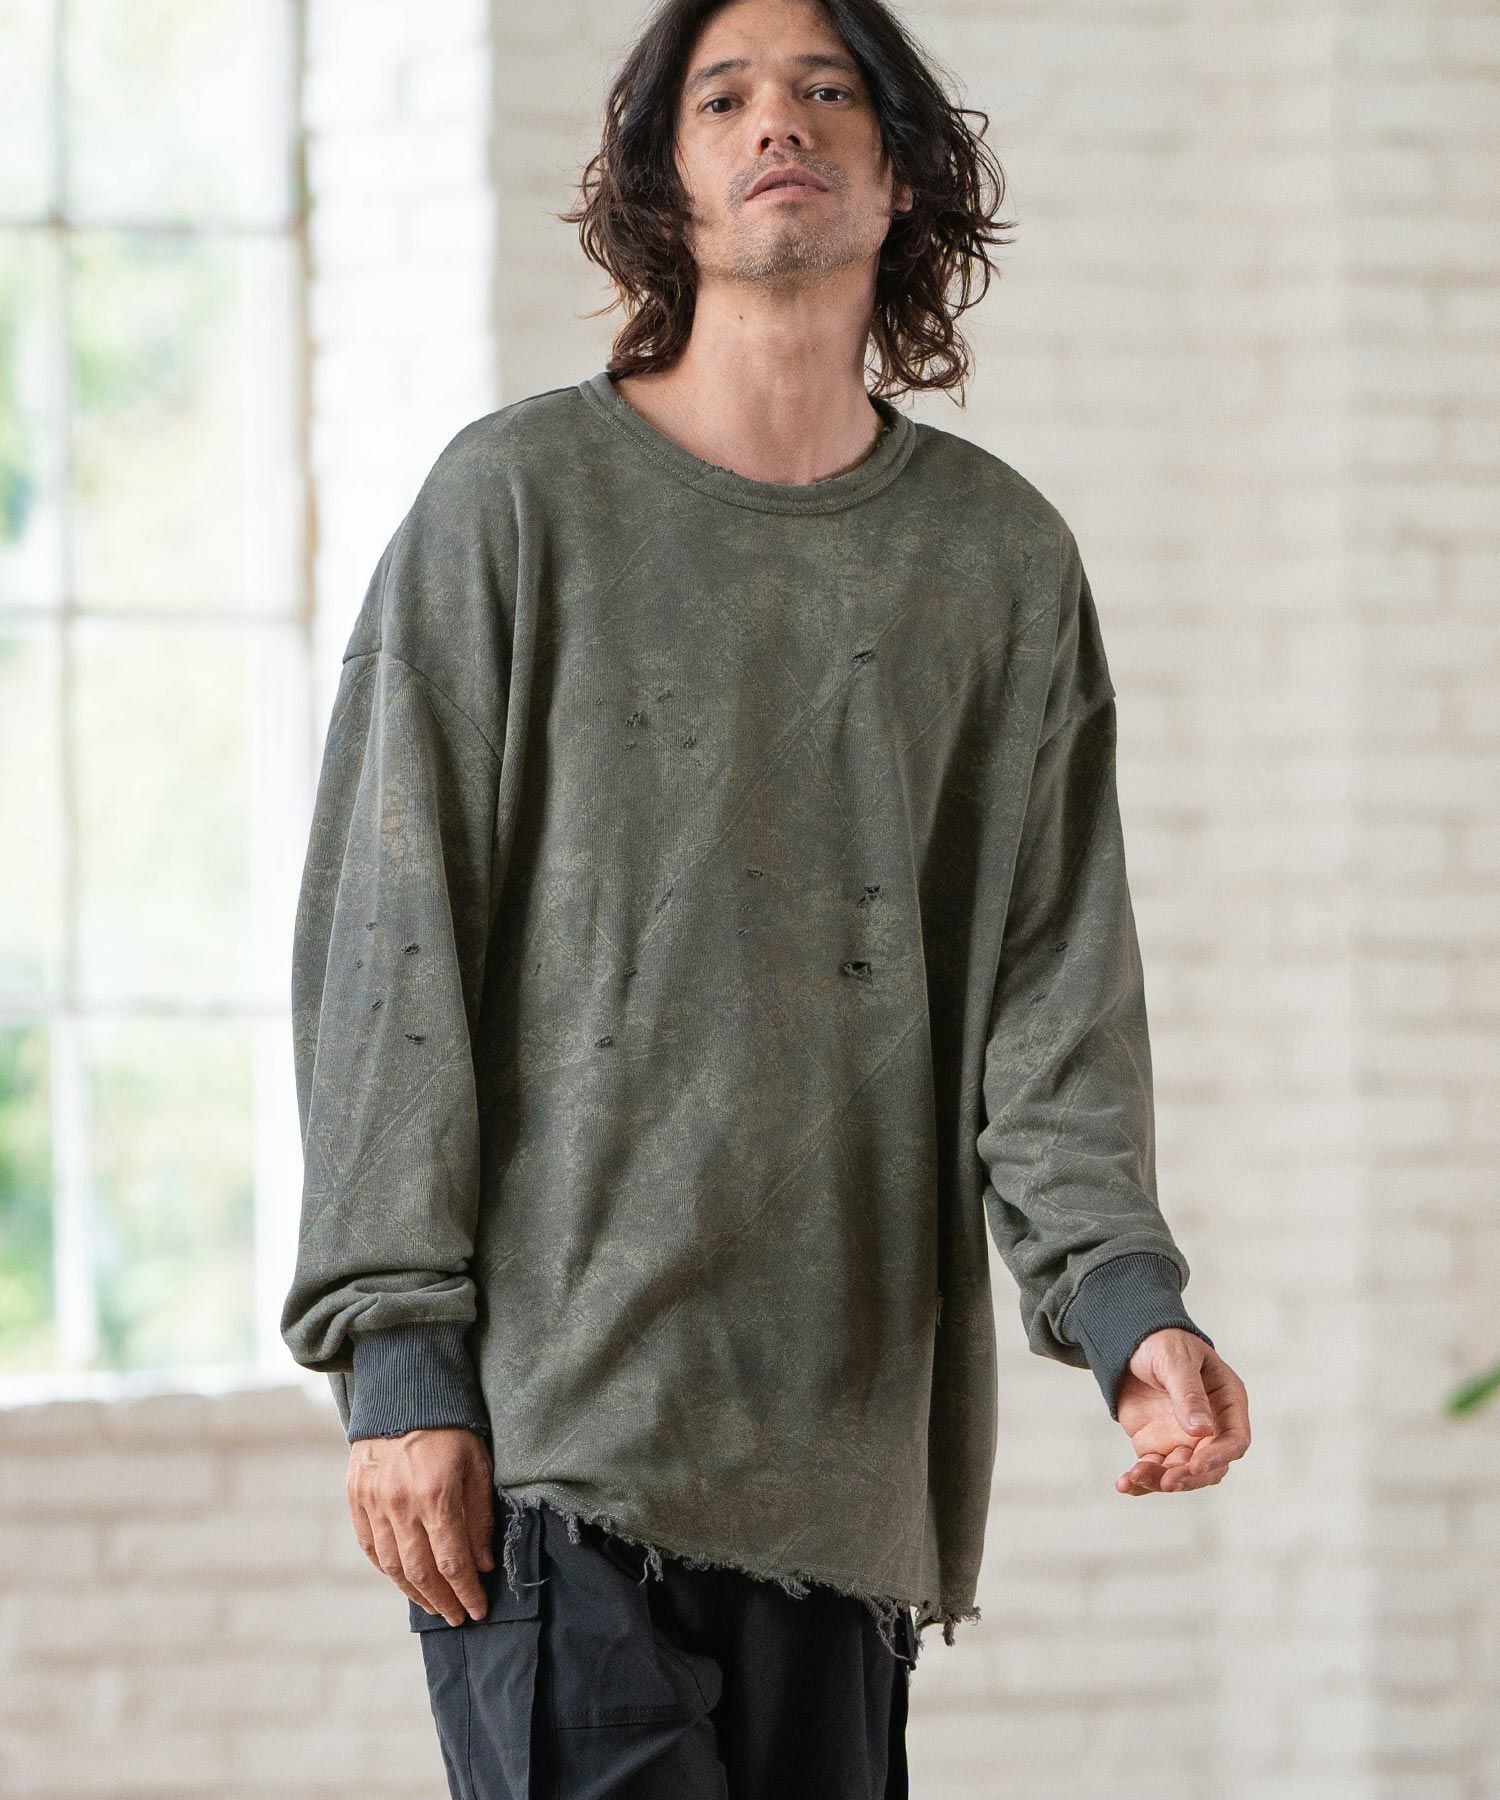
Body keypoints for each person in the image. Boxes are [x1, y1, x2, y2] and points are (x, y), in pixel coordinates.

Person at [280, 0, 1252, 1793]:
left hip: (845, 1472)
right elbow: (386, 951)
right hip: (559, 1445)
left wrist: (1130, 1307)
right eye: (722, 98)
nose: (776, 124)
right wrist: (399, 1362)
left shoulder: (998, 559)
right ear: (664, 180)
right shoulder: (514, 506)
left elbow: (1051, 992)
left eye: (825, 91)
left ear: (902, 174)